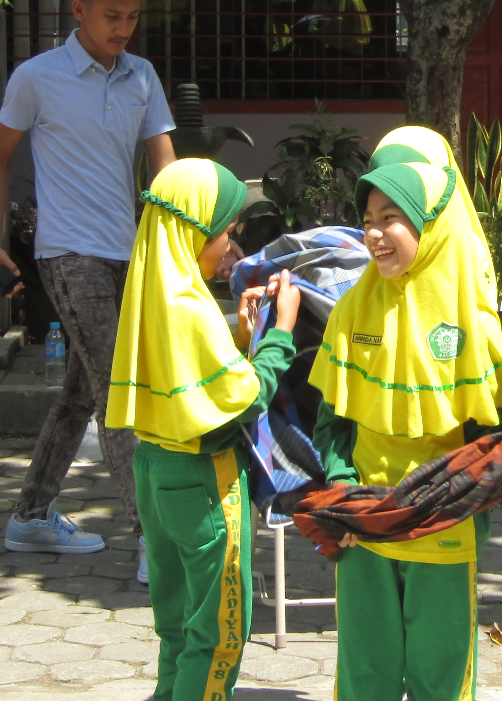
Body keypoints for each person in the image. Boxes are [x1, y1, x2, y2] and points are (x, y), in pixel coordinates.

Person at [308, 147, 502, 701]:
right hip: (367, 527)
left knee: (441, 676)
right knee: (365, 675)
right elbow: (330, 423)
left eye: (390, 220)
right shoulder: (350, 312)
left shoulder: (476, 325)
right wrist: (341, 495)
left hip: (444, 530)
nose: (375, 235)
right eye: (368, 222)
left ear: (430, 227)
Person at [105, 158, 299, 701]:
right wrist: (282, 330)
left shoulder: (152, 294)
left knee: (175, 624)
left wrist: (240, 340)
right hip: (203, 479)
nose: (231, 247)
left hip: (155, 471)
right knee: (218, 633)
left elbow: (195, 381)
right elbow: (244, 399)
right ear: (194, 232)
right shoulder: (190, 305)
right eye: (226, 233)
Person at [1, 0, 176, 584]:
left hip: (131, 255)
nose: (123, 28)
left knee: (83, 392)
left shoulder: (142, 75)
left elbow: (167, 173)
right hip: (68, 255)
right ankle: (155, 537)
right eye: (111, 15)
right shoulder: (36, 78)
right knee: (120, 394)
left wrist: (178, 255)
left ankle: (29, 516)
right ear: (79, 10)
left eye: (132, 16)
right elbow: (1, 155)